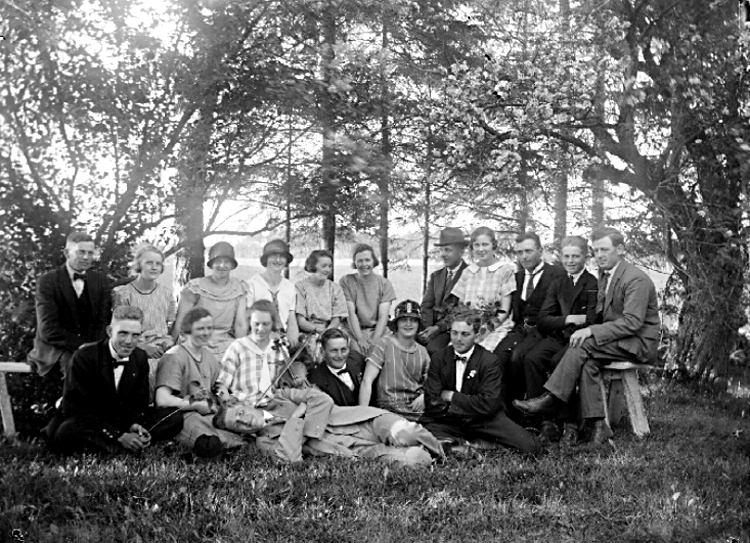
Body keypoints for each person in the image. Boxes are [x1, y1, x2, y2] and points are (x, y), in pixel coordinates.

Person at [513, 227, 660, 445]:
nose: (599, 255)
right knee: (588, 364)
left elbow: (632, 323)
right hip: (618, 340)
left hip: (637, 343)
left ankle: (551, 397)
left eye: (605, 250)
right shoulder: (608, 275)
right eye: (596, 250)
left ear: (620, 249)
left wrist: (591, 330)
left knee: (580, 346)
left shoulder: (635, 279)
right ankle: (599, 427)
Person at [49, 306, 182, 455]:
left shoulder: (139, 357)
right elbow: (74, 409)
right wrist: (118, 435)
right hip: (91, 422)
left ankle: (120, 445)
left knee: (174, 417)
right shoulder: (84, 356)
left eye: (135, 335)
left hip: (121, 420)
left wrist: (134, 425)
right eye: (123, 333)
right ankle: (121, 448)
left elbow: (138, 405)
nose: (129, 341)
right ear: (109, 331)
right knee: (67, 431)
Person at [212, 386, 444, 466]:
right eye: (238, 424)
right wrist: (297, 417)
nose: (244, 420)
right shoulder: (265, 443)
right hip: (352, 449)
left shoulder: (280, 397)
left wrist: (301, 434)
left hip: (364, 421)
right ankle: (426, 453)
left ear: (244, 403)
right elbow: (289, 459)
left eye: (240, 413)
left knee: (407, 432)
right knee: (415, 460)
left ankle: (443, 451)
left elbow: (320, 399)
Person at [418, 309, 541, 454]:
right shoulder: (439, 358)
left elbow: (488, 403)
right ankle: (468, 444)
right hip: (449, 418)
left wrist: (451, 396)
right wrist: (464, 406)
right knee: (421, 434)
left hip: (483, 420)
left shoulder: (489, 361)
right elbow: (432, 401)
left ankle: (469, 442)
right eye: (454, 333)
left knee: (530, 447)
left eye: (465, 334)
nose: (458, 339)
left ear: (476, 337)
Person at [521, 236, 598, 444]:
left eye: (576, 256)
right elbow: (543, 320)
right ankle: (546, 423)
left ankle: (570, 424)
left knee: (558, 361)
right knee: (532, 359)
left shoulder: (592, 283)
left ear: (585, 257)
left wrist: (570, 322)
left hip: (579, 339)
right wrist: (569, 318)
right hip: (559, 336)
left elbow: (592, 319)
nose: (570, 261)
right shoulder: (558, 283)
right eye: (566, 256)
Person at [492, 232, 566, 413]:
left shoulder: (557, 274)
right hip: (521, 329)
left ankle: (531, 413)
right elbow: (507, 308)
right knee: (499, 356)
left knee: (519, 356)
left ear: (540, 251)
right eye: (519, 252)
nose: (524, 257)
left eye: (528, 251)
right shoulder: (516, 277)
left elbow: (562, 310)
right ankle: (506, 412)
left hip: (546, 331)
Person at [155, 307, 245, 452]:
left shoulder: (208, 356)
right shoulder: (174, 356)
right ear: (187, 330)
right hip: (184, 415)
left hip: (209, 412)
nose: (206, 333)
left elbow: (217, 386)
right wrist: (196, 405)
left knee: (240, 425)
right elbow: (162, 400)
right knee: (213, 440)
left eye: (209, 328)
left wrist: (224, 393)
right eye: (200, 328)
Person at [28, 231, 112, 377]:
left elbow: (103, 322)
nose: (86, 257)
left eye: (90, 253)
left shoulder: (100, 281)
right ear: (67, 253)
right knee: (76, 364)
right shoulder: (48, 281)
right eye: (81, 252)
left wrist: (92, 347)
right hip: (56, 349)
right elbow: (48, 329)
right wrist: (82, 346)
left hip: (92, 347)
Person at [215, 300, 300, 406]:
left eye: (265, 324)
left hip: (274, 405)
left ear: (273, 324)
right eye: (256, 324)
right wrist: (225, 398)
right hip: (244, 405)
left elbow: (285, 383)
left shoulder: (279, 347)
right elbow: (222, 384)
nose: (260, 329)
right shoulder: (237, 347)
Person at [113, 244, 176, 389]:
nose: (154, 267)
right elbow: (120, 331)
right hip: (135, 347)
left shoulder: (166, 293)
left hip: (163, 348)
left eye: (158, 264)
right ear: (139, 265)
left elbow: (170, 325)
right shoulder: (124, 294)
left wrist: (168, 344)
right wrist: (143, 348)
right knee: (149, 371)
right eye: (149, 263)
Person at [173, 242, 248, 362]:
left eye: (227, 262)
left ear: (232, 265)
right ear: (211, 264)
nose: (222, 265)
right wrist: (171, 343)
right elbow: (180, 322)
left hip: (223, 343)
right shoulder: (195, 288)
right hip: (196, 340)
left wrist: (243, 351)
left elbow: (240, 324)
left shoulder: (239, 289)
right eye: (218, 261)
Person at [359, 300, 430, 421]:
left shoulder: (422, 352)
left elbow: (431, 384)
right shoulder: (384, 344)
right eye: (404, 320)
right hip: (388, 410)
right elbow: (367, 381)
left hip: (415, 410)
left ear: (419, 324)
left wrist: (424, 396)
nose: (408, 324)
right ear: (396, 323)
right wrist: (362, 416)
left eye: (413, 320)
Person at [449, 227, 516, 351]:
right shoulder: (468, 272)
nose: (481, 249)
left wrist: (484, 332)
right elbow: (461, 307)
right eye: (477, 245)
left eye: (485, 244)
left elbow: (504, 311)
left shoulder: (505, 270)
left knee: (480, 354)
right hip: (469, 327)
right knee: (453, 353)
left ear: (493, 245)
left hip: (495, 328)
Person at [418, 227, 470, 355]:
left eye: (448, 250)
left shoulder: (470, 275)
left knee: (434, 350)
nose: (443, 254)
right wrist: (427, 329)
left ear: (461, 251)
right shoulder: (436, 276)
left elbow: (462, 311)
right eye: (441, 250)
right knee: (404, 342)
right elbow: (426, 305)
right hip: (431, 327)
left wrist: (438, 328)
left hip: (453, 329)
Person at [340, 243, 396, 355]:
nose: (364, 264)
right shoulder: (346, 281)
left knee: (385, 352)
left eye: (367, 260)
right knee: (356, 353)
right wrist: (360, 339)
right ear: (355, 263)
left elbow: (383, 316)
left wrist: (375, 339)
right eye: (360, 261)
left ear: (373, 261)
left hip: (378, 330)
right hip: (353, 330)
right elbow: (350, 313)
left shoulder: (384, 284)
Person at [245, 239, 300, 349]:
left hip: (282, 339)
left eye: (282, 256)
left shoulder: (289, 286)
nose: (278, 260)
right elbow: (247, 319)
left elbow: (291, 317)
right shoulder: (252, 284)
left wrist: (293, 341)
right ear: (266, 259)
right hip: (257, 338)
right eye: (273, 255)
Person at [295, 249, 348, 363]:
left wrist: (326, 333)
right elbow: (301, 321)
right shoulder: (300, 287)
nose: (328, 269)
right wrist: (318, 331)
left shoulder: (335, 288)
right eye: (324, 266)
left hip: (331, 330)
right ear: (313, 266)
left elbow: (337, 318)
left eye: (330, 266)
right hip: (307, 332)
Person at [308, 328, 366, 407]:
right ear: (322, 352)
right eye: (334, 351)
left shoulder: (357, 359)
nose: (339, 355)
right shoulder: (316, 379)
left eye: (343, 350)